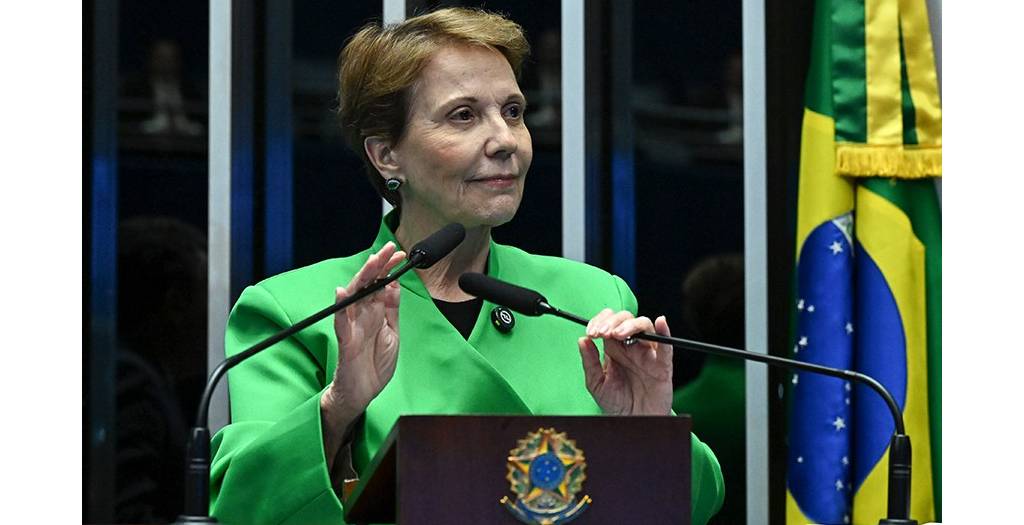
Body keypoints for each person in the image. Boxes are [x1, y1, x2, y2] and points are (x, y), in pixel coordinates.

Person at [209, 8, 724, 524]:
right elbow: (241, 509)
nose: (505, 140)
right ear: (387, 155)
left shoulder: (591, 297)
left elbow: (695, 508)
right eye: (463, 115)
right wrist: (336, 408)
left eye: (513, 112)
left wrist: (650, 427)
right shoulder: (296, 311)